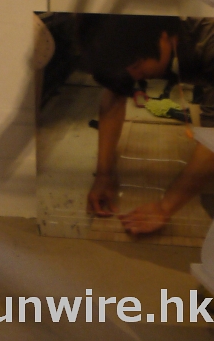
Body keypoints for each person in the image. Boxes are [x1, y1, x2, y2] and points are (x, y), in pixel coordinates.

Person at [79, 15, 214, 235]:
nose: (134, 76)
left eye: (136, 65)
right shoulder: (139, 36)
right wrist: (104, 174)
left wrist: (165, 207)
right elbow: (115, 95)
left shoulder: (208, 42)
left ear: (163, 37)